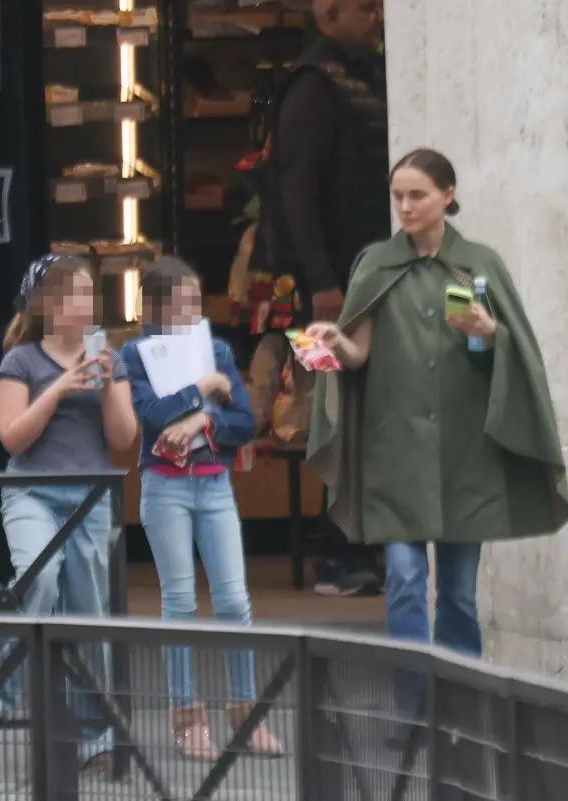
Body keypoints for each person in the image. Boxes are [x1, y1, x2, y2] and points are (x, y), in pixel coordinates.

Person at [305, 149, 568, 665]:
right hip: (394, 452)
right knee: (405, 580)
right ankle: (415, 702)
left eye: (417, 195)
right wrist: (335, 341)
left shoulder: (479, 265)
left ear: (447, 196)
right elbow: (358, 354)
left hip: (465, 455)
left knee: (458, 595)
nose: (405, 207)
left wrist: (491, 333)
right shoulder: (376, 265)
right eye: (398, 196)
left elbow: (518, 357)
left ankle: (458, 700)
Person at [0, 253, 138, 771]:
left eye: (89, 293)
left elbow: (124, 439)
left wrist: (107, 385)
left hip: (91, 496)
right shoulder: (21, 361)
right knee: (38, 577)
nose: (86, 304)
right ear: (48, 305)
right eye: (75, 295)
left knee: (86, 607)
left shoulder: (109, 356)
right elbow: (12, 437)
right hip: (32, 492)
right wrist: (60, 388)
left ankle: (93, 735)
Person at [122, 256, 282, 760]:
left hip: (214, 484)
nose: (194, 312)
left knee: (234, 600)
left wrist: (202, 422)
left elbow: (244, 422)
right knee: (180, 602)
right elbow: (150, 415)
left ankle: (246, 713)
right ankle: (187, 718)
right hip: (164, 486)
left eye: (196, 301)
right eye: (184, 303)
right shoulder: (135, 354)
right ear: (155, 307)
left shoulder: (216, 350)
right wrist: (203, 390)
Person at [258, 0, 389, 596]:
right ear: (329, 14)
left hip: (362, 281)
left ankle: (356, 541)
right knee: (331, 412)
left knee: (365, 411)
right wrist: (320, 281)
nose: (378, 16)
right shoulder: (312, 86)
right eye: (365, 7)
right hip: (324, 292)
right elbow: (297, 191)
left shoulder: (368, 72)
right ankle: (339, 549)